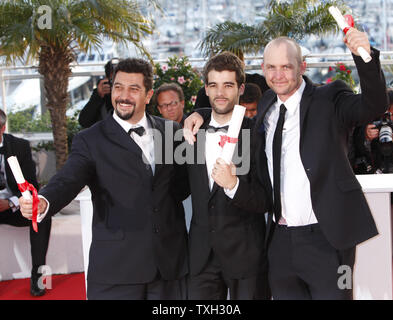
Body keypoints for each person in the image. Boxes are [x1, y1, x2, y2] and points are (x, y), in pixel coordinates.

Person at [184, 29, 388, 299]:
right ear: (263, 69)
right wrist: (201, 113)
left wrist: (365, 57)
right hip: (280, 243)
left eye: (286, 67)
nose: (277, 75)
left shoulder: (330, 99)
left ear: (302, 67)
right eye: (271, 67)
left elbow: (373, 106)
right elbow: (233, 117)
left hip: (329, 240)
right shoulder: (267, 104)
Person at [20, 58, 189, 300]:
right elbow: (68, 179)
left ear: (149, 94)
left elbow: (183, 184)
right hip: (117, 269)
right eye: (118, 87)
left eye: (134, 89)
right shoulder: (91, 140)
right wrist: (45, 201)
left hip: (169, 267)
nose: (123, 96)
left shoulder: (171, 132)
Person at [185, 51, 270, 300]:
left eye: (228, 85)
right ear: (206, 89)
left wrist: (233, 185)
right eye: (214, 85)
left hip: (246, 257)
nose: (220, 93)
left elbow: (266, 199)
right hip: (201, 258)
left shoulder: (258, 135)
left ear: (241, 88)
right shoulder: (191, 132)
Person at [0, 109, 52, 297]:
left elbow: (32, 186)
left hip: (14, 206)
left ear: (3, 128)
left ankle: (37, 275)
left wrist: (11, 202)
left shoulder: (19, 146)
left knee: (43, 214)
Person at [351, 89, 393, 174]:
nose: (389, 119)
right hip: (370, 176)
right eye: (387, 115)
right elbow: (353, 150)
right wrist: (365, 137)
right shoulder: (368, 122)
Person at [78, 58, 119, 128]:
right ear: (107, 79)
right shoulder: (103, 95)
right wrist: (98, 95)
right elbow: (84, 122)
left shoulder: (133, 96)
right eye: (113, 81)